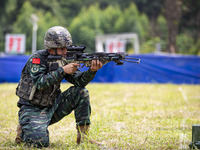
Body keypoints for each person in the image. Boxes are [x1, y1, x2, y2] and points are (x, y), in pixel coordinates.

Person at [15, 26, 103, 148]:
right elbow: (40, 83)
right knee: (39, 143)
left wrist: (91, 71)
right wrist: (63, 70)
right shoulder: (37, 59)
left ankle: (84, 138)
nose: (65, 51)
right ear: (51, 49)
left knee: (81, 92)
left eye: (66, 48)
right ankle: (24, 128)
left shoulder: (63, 59)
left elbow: (79, 82)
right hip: (32, 108)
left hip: (52, 106)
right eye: (61, 49)